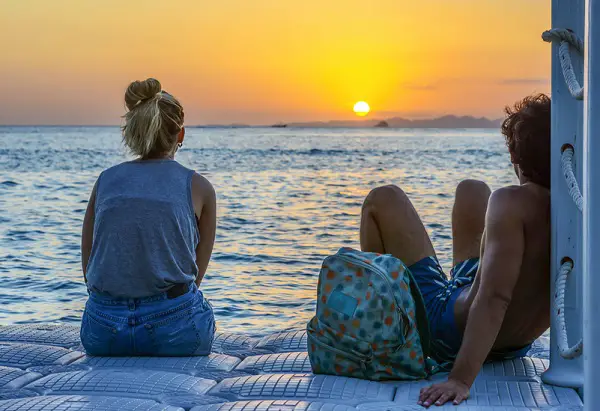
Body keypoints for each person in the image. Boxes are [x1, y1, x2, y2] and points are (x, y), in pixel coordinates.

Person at [359, 94, 551, 406]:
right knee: (472, 189)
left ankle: (385, 331)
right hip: (517, 343)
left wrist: (460, 379)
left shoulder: (511, 202)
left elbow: (493, 298)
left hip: (450, 329)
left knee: (382, 198)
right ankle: (456, 285)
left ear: (515, 157)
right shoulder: (576, 205)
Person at [80, 78, 217, 356]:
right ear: (180, 135)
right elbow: (195, 274)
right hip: (175, 328)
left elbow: (89, 263)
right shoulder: (199, 187)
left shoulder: (106, 180)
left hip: (103, 329)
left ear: (133, 131)